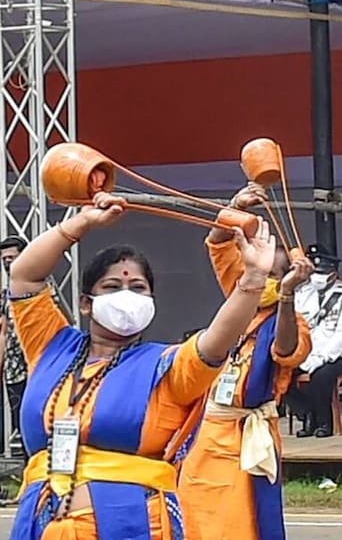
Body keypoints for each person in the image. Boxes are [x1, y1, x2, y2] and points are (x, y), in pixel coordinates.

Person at [6, 191, 275, 539]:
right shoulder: (52, 346)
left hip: (131, 525)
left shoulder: (166, 366)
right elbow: (24, 277)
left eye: (138, 288)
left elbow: (215, 342)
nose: (126, 296)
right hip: (39, 521)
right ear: (87, 303)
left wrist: (252, 281)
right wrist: (80, 223)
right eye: (113, 286)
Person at [177, 183, 315, 540]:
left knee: (243, 523)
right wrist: (235, 205)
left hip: (248, 435)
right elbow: (219, 242)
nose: (268, 279)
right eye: (267, 273)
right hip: (207, 430)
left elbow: (288, 351)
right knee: (195, 514)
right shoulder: (241, 292)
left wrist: (286, 295)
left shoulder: (290, 320)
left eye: (277, 274)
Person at [285, 245, 342, 438]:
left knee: (321, 375)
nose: (318, 276)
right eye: (315, 272)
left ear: (334, 274)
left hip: (340, 355)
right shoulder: (302, 294)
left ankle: (324, 422)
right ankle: (306, 414)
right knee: (279, 373)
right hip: (306, 353)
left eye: (323, 272)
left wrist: (322, 357)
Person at [0, 236, 29, 457]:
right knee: (18, 415)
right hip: (13, 368)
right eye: (5, 259)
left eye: (13, 258)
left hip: (36, 363)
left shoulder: (39, 287)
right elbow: (2, 331)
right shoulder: (4, 295)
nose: (8, 263)